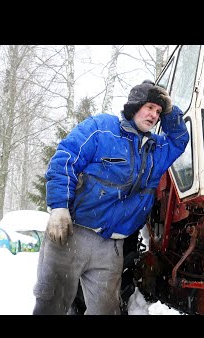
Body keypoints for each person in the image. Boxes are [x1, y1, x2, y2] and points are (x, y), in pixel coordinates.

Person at [33, 80, 189, 315]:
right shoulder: (101, 128)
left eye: (158, 111)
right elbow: (66, 158)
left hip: (112, 247)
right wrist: (59, 207)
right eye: (149, 107)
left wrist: (170, 111)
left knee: (106, 311)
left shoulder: (156, 150)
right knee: (51, 305)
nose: (154, 115)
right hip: (73, 233)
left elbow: (179, 140)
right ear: (135, 106)